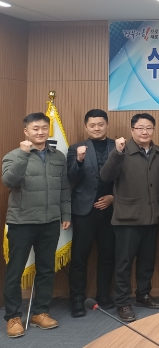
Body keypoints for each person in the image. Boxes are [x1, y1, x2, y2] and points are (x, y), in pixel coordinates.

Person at [2, 113, 71, 337]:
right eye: (35, 128)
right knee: (15, 271)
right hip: (21, 222)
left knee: (46, 269)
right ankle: (13, 316)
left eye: (44, 128)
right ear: (26, 131)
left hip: (50, 222)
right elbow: (9, 181)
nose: (40, 132)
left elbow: (64, 187)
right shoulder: (14, 155)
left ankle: (40, 312)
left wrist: (65, 213)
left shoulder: (58, 156)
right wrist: (24, 154)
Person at [100, 113, 159, 322]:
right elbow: (105, 176)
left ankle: (143, 295)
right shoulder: (121, 151)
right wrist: (117, 153)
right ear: (132, 130)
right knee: (124, 263)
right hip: (127, 218)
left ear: (153, 130)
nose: (144, 132)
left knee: (147, 261)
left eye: (149, 128)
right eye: (140, 128)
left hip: (151, 217)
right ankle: (122, 302)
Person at [66, 109, 116, 317]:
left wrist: (113, 197)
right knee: (80, 257)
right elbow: (71, 177)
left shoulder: (117, 146)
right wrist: (78, 160)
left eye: (100, 124)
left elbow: (125, 178)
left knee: (108, 255)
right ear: (86, 127)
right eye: (92, 125)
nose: (97, 128)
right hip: (84, 210)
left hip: (110, 210)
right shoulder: (75, 148)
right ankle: (77, 299)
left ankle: (103, 295)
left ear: (107, 125)